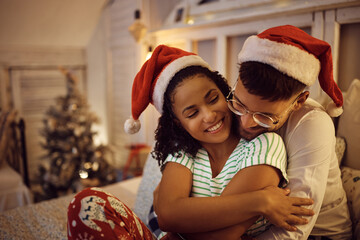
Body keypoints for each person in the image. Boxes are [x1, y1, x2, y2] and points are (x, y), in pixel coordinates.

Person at [67, 45, 314, 240]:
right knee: (87, 203)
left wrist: (178, 225)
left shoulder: (263, 145)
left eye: (213, 98)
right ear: (178, 123)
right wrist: (260, 201)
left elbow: (225, 234)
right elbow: (166, 217)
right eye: (192, 113)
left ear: (225, 91)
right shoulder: (183, 152)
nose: (209, 116)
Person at [228, 25, 353, 239]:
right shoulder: (231, 106)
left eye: (265, 116)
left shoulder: (313, 123)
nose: (246, 123)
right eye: (240, 105)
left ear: (299, 102)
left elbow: (296, 226)